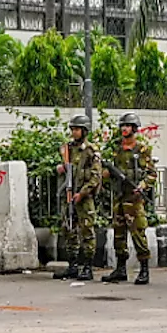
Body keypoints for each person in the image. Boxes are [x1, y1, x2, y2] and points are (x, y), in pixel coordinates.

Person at [101, 112, 157, 285]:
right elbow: (110, 173)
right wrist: (105, 174)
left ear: (134, 129)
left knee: (138, 234)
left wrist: (143, 185)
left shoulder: (141, 150)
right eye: (123, 126)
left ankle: (144, 270)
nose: (124, 129)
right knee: (119, 235)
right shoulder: (117, 150)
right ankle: (120, 269)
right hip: (119, 197)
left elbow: (152, 174)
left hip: (134, 199)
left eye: (127, 126)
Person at [53, 114, 103, 281]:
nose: (74, 132)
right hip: (69, 195)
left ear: (84, 131)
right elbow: (67, 170)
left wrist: (82, 193)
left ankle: (88, 266)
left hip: (84, 196)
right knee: (69, 230)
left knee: (87, 231)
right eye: (72, 129)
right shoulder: (67, 149)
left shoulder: (90, 151)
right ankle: (72, 265)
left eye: (77, 129)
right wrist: (61, 168)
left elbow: (96, 176)